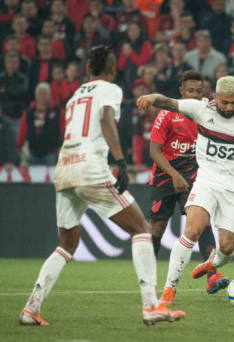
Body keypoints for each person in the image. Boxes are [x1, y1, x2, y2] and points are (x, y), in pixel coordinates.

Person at [19, 45, 184, 326]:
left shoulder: (74, 97)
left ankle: (30, 309)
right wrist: (120, 160)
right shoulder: (110, 89)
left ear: (87, 70)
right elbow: (106, 118)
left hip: (64, 169)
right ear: (112, 69)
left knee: (66, 244)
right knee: (141, 229)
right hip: (90, 169)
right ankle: (151, 306)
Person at [137, 75, 234, 312]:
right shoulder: (201, 109)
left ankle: (212, 264)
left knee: (227, 248)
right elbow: (167, 102)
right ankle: (168, 291)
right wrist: (150, 97)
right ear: (215, 97)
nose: (228, 108)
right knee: (192, 230)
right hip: (205, 181)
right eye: (224, 102)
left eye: (233, 103)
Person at [148, 71, 229, 303]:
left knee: (200, 221)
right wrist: (174, 175)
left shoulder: (207, 113)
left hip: (193, 176)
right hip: (165, 175)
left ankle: (212, 275)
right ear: (181, 92)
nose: (194, 95)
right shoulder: (167, 114)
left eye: (198, 91)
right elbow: (153, 151)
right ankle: (149, 281)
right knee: (157, 227)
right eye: (190, 91)